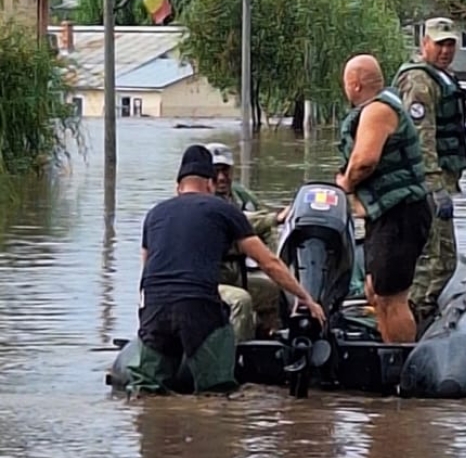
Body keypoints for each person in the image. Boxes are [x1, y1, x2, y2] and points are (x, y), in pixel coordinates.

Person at [128, 144, 325, 395]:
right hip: (199, 306)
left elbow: (147, 269)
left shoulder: (154, 215)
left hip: (154, 308)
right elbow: (269, 263)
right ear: (210, 184)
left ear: (178, 187)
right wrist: (305, 297)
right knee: (217, 394)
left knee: (145, 392)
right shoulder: (224, 210)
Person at [393, 17, 466, 331]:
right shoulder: (419, 82)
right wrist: (435, 188)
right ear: (425, 44)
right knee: (435, 260)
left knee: (444, 258)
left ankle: (422, 316)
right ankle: (413, 320)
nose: (446, 50)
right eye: (439, 44)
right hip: (427, 183)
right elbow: (422, 140)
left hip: (442, 180)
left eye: (450, 44)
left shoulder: (440, 77)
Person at [335, 55, 431, 344]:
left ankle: (402, 363)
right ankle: (389, 352)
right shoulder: (378, 106)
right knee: (374, 291)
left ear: (354, 84)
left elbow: (365, 161)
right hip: (387, 216)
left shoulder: (377, 111)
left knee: (392, 298)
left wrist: (346, 185)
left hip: (402, 214)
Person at [204, 143, 288, 342]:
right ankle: (234, 359)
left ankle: (270, 341)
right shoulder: (201, 200)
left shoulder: (241, 197)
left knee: (276, 292)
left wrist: (279, 264)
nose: (222, 177)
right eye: (216, 171)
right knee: (242, 301)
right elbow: (239, 221)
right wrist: (274, 218)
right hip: (207, 281)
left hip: (236, 274)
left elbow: (263, 228)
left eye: (225, 170)